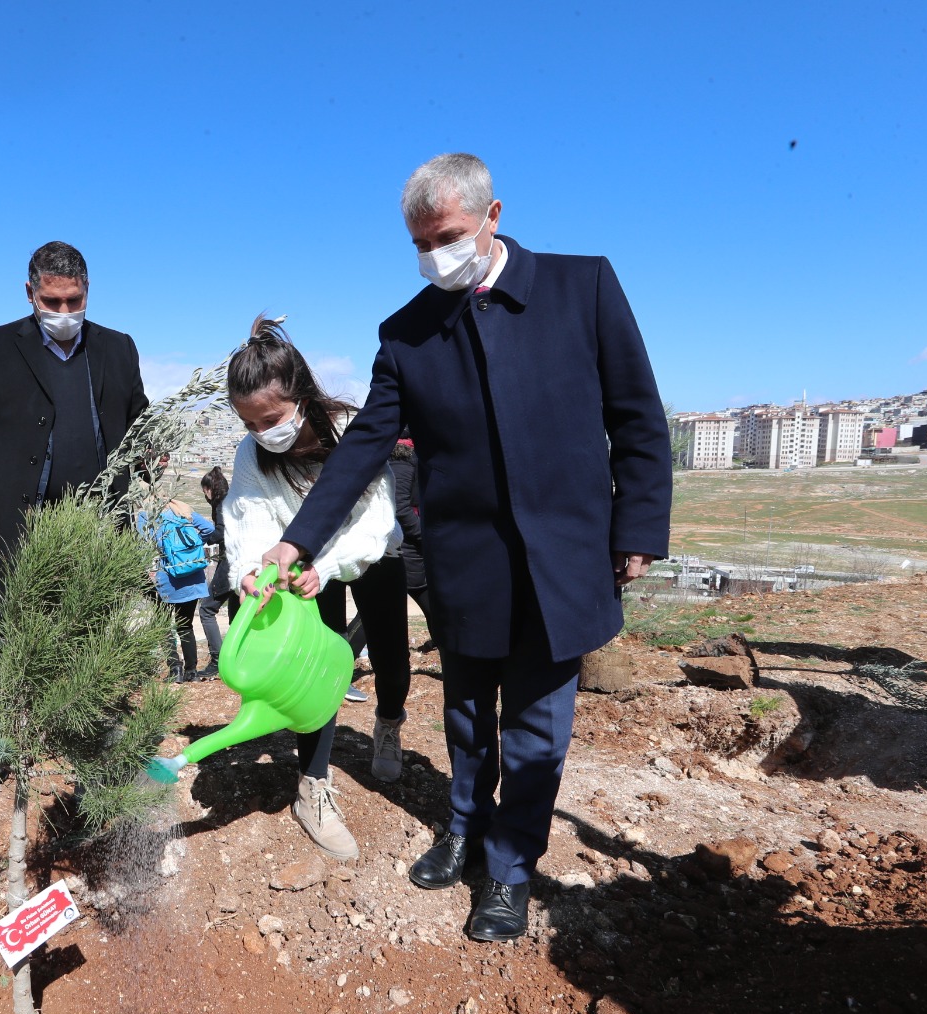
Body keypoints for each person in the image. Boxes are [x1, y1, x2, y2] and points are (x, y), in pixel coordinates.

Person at [258, 153, 672, 941]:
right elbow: (363, 447)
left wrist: (638, 530)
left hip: (564, 556)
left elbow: (638, 418)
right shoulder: (407, 332)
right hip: (464, 560)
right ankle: (463, 827)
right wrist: (296, 543)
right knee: (465, 714)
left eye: (446, 235)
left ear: (493, 215)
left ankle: (512, 868)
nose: (433, 255)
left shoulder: (581, 288)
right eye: (420, 243)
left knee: (537, 727)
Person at [0, 240, 149, 798]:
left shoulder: (117, 348)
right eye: (52, 301)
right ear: (30, 292)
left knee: (95, 633)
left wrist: (153, 449)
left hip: (97, 524)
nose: (64, 313)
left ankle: (95, 753)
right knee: (7, 635)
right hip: (21, 524)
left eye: (74, 301)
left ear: (88, 293)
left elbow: (139, 418)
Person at [224, 316, 403, 860]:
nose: (263, 433)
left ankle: (389, 721)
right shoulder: (252, 456)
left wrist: (327, 566)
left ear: (300, 395)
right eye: (249, 422)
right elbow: (246, 516)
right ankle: (313, 787)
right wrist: (248, 571)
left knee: (391, 655)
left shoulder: (351, 431)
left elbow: (375, 521)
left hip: (368, 556)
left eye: (271, 419)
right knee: (314, 672)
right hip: (294, 569)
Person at [139, 498, 215, 683]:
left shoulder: (146, 515)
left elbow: (143, 545)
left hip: (169, 578)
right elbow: (209, 529)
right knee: (185, 625)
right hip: (193, 575)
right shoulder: (184, 509)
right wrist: (193, 547)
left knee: (163, 626)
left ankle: (175, 670)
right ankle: (192, 672)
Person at [193, 467, 238, 681]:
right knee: (237, 612)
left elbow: (222, 531)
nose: (205, 495)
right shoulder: (234, 499)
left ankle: (217, 660)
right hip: (244, 562)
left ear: (211, 488)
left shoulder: (222, 503)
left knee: (207, 609)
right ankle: (239, 656)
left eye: (205, 490)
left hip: (231, 562)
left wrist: (205, 539)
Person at [389, 437, 434, 635]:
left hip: (411, 546)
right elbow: (400, 508)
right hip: (407, 548)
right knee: (432, 606)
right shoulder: (401, 458)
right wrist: (424, 536)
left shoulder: (409, 456)